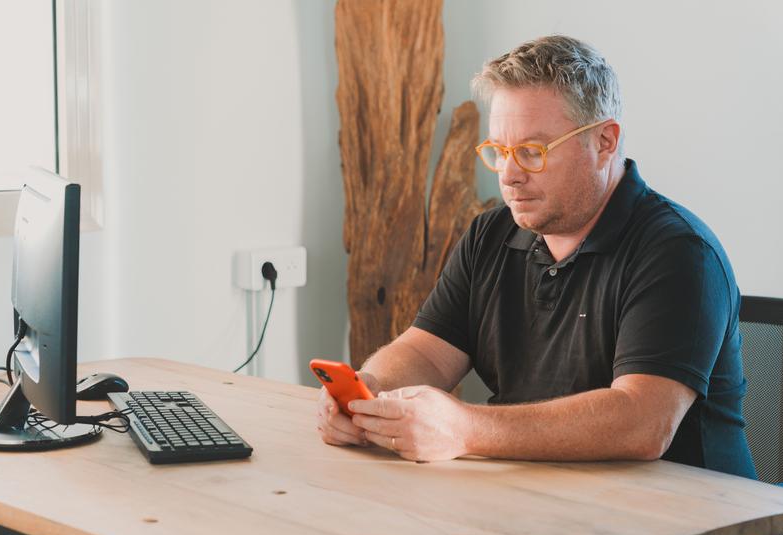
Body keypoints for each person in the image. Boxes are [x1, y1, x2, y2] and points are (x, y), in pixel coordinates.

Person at [317, 34, 756, 480]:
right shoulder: (491, 233)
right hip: (539, 496)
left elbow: (641, 421)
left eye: (532, 152)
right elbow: (426, 353)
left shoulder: (679, 253)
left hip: (682, 522)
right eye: (499, 151)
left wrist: (465, 428)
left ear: (604, 141)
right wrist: (369, 394)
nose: (508, 175)